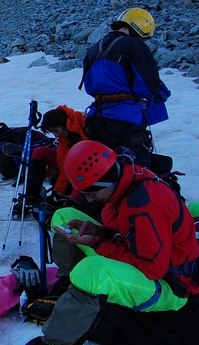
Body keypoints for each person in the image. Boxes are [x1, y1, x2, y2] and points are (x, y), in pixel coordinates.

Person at [26, 140, 199, 345]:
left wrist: (97, 244)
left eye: (91, 194)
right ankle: (68, 288)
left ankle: (54, 341)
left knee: (93, 270)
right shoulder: (125, 181)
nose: (90, 200)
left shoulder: (144, 205)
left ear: (106, 183)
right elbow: (129, 235)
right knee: (64, 217)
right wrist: (100, 232)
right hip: (144, 262)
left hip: (169, 285)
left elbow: (151, 269)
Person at [81, 7, 170, 169]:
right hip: (126, 119)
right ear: (139, 29)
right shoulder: (135, 45)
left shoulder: (95, 47)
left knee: (105, 170)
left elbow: (89, 85)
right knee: (135, 171)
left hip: (98, 119)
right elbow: (148, 88)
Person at [23, 106, 87, 205]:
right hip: (74, 165)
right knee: (39, 152)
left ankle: (74, 200)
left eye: (56, 130)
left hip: (89, 165)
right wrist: (57, 191)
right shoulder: (64, 137)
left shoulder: (84, 122)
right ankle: (31, 196)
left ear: (64, 124)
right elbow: (64, 166)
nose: (56, 135)